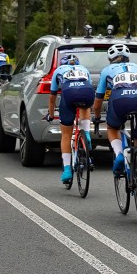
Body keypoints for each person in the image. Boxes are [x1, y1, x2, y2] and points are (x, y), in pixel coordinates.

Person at [92, 43, 137, 204]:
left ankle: (119, 154)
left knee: (112, 128)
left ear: (110, 59)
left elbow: (98, 101)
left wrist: (97, 117)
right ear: (128, 57)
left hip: (120, 101)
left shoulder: (106, 71)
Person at [46, 53, 95, 184]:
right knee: (85, 106)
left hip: (68, 96)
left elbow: (52, 98)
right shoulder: (84, 69)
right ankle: (86, 134)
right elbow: (88, 87)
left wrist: (50, 114)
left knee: (66, 135)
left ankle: (67, 170)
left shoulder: (59, 71)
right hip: (87, 94)